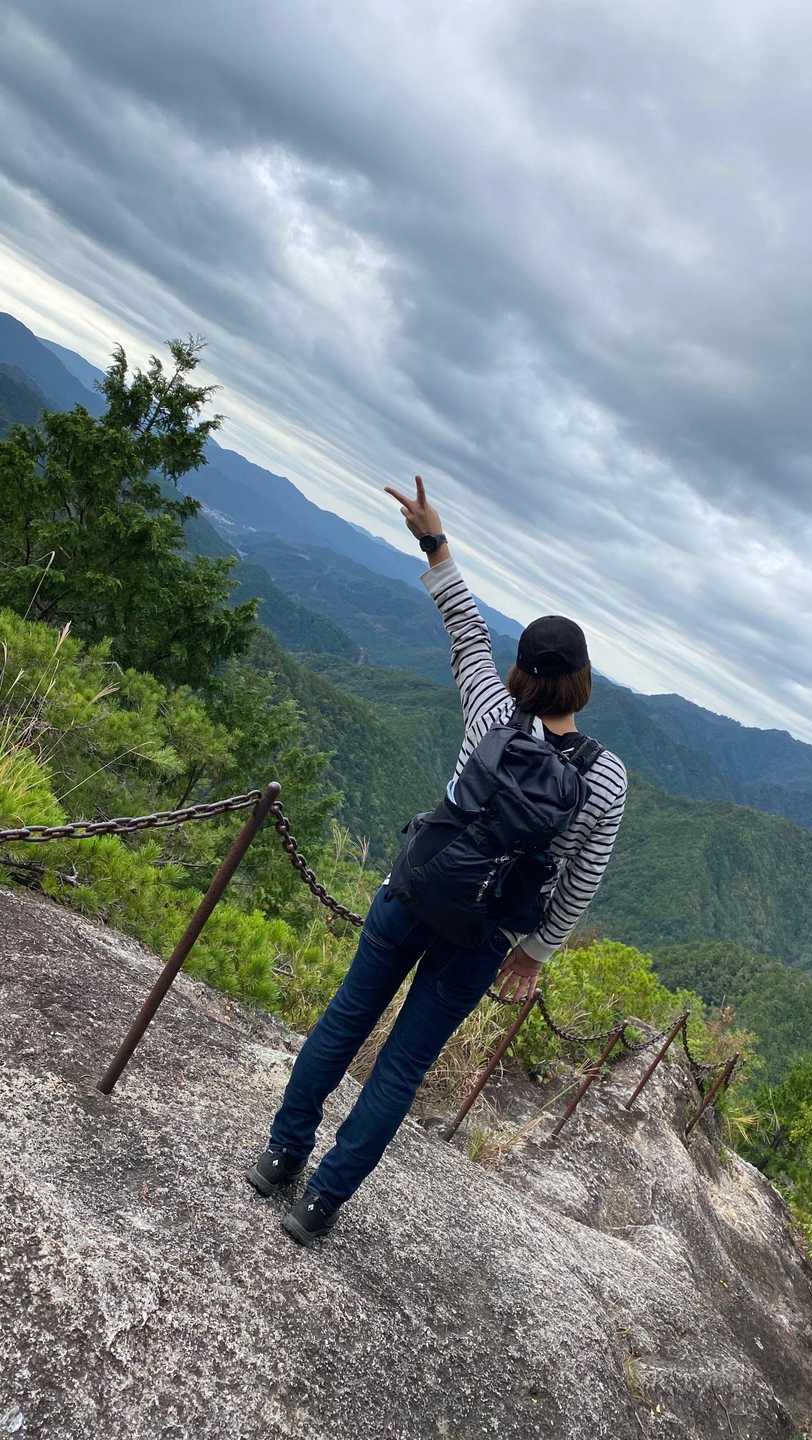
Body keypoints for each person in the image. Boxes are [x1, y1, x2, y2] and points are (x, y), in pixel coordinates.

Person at [247, 476, 628, 1244]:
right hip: (483, 936)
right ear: (583, 683)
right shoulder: (606, 777)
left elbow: (464, 628)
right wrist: (535, 953)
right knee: (400, 1068)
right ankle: (320, 1204)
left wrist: (434, 541)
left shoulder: (491, 710)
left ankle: (281, 1157)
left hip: (413, 892)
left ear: (523, 672)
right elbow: (579, 879)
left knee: (344, 1023)